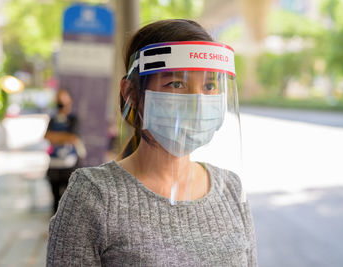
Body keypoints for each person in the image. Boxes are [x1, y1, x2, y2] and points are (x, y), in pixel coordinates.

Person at [47, 19, 257, 266]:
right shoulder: (94, 196)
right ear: (131, 94)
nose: (198, 102)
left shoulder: (231, 188)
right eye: (176, 84)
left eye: (210, 86)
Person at [45, 88, 86, 213]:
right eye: (58, 98)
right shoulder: (53, 119)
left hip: (70, 165)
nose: (60, 102)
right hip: (54, 165)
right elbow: (47, 136)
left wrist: (56, 137)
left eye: (63, 98)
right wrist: (63, 137)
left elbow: (73, 138)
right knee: (55, 200)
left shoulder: (74, 119)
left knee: (69, 201)